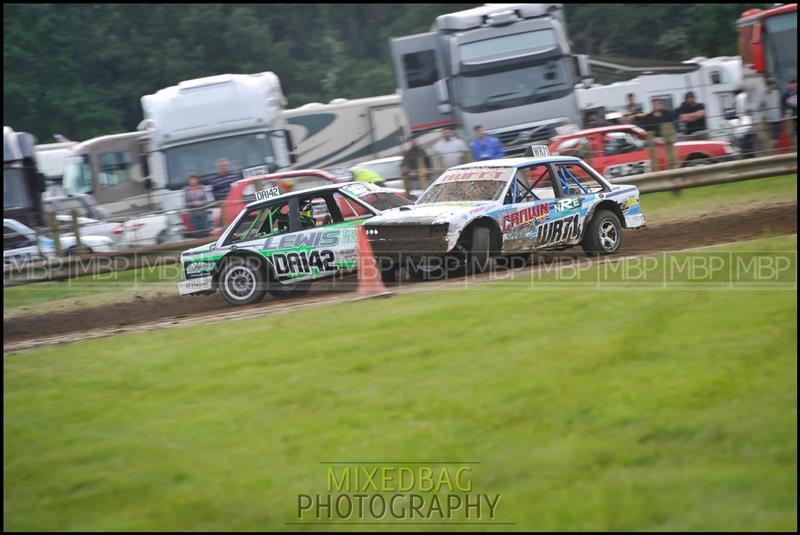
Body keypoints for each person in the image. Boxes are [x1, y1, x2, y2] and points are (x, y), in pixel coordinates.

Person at [184, 172, 213, 238]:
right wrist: (193, 203)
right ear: (188, 181)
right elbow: (186, 204)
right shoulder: (186, 190)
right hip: (193, 214)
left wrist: (201, 203)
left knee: (205, 230)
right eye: (191, 180)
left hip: (203, 213)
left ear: (197, 180)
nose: (193, 181)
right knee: (197, 232)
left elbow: (206, 200)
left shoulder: (202, 188)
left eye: (194, 179)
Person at [760, 78, 783, 142]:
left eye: (773, 85)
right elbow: (759, 106)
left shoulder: (776, 92)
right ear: (767, 86)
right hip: (770, 120)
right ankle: (775, 150)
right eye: (771, 85)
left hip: (778, 118)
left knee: (779, 137)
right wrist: (764, 115)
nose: (772, 87)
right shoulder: (763, 94)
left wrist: (781, 113)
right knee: (773, 139)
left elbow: (779, 103)